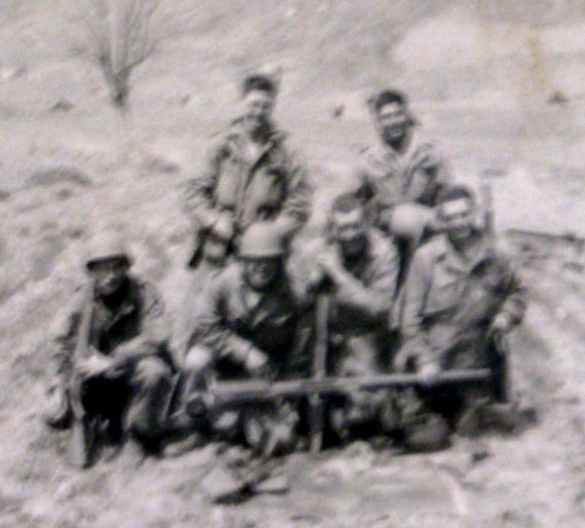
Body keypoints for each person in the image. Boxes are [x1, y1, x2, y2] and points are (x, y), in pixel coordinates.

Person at [394, 185, 527, 436]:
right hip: (437, 364)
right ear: (441, 220)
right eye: (451, 218)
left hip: (477, 364)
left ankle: (476, 408)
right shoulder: (426, 258)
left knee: (477, 430)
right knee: (429, 437)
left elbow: (517, 292)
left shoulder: (496, 253)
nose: (459, 224)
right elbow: (409, 320)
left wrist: (505, 316)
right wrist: (424, 360)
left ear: (474, 212)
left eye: (464, 215)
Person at [167, 222, 308, 457]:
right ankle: (193, 428)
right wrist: (245, 352)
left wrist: (291, 384)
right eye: (255, 260)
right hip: (224, 362)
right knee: (196, 360)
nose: (262, 267)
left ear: (280, 261)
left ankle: (241, 424)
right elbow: (205, 327)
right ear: (243, 260)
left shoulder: (294, 292)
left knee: (280, 439)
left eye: (270, 260)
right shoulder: (222, 283)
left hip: (267, 370)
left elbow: (302, 340)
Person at [44, 232, 174, 463]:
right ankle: (95, 423)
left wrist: (114, 360)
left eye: (116, 268)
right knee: (54, 413)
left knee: (156, 372)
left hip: (131, 371)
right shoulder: (82, 298)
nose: (110, 276)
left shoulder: (143, 292)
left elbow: (159, 336)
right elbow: (59, 341)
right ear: (92, 272)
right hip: (96, 378)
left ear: (126, 267)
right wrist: (56, 384)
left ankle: (140, 434)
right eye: (103, 270)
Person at [183, 73, 312, 270]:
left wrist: (271, 234)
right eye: (253, 104)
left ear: (273, 107)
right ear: (241, 103)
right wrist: (214, 220)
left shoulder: (286, 150)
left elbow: (301, 202)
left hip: (264, 256)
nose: (258, 112)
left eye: (265, 106)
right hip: (219, 250)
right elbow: (193, 193)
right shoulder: (220, 145)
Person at [301, 193, 399, 442]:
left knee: (373, 414)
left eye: (356, 226)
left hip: (365, 335)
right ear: (333, 229)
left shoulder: (384, 252)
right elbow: (297, 300)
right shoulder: (317, 251)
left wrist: (339, 276)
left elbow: (380, 307)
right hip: (322, 336)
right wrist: (310, 283)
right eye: (343, 228)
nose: (350, 235)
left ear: (366, 223)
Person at [354, 88, 452, 237]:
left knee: (408, 218)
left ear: (407, 116)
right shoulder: (369, 160)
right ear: (378, 122)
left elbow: (448, 193)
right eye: (386, 117)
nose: (393, 122)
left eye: (397, 114)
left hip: (428, 231)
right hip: (386, 234)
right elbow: (351, 200)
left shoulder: (430, 153)